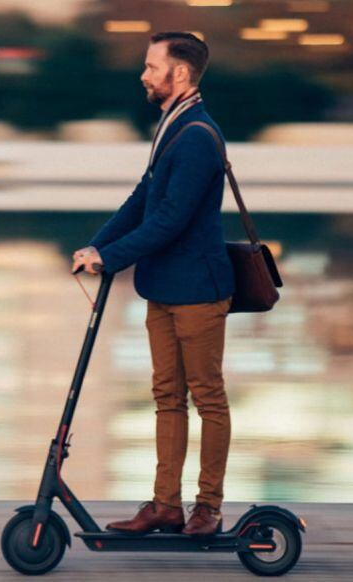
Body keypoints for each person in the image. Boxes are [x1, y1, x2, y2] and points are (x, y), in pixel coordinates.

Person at [71, 31, 235, 537]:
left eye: (151, 65)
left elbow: (169, 220)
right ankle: (166, 505)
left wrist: (112, 257)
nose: (144, 74)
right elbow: (141, 200)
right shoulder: (173, 125)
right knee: (167, 395)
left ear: (179, 73)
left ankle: (207, 506)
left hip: (199, 291)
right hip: (163, 285)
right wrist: (95, 247)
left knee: (207, 396)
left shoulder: (197, 136)